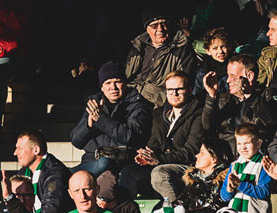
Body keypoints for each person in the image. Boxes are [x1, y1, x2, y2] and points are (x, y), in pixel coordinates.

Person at [71, 62, 153, 191]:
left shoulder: (138, 105)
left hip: (120, 163)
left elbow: (130, 136)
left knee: (103, 176)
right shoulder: (94, 103)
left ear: (125, 84)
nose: (113, 87)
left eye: (117, 82)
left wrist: (101, 119)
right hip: (91, 162)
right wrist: (89, 125)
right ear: (102, 87)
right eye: (108, 83)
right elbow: (76, 141)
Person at [138, 72, 213, 199]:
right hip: (162, 161)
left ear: (189, 90)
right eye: (170, 90)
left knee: (159, 173)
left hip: (188, 165)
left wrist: (159, 159)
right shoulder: (159, 114)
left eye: (179, 89)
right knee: (130, 172)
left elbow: (191, 151)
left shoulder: (198, 114)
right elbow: (154, 143)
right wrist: (146, 156)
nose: (174, 94)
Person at [206, 53, 277, 152]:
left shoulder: (268, 95)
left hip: (253, 155)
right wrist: (211, 97)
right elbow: (207, 126)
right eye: (228, 75)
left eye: (233, 76)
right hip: (223, 154)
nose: (228, 80)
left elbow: (270, 121)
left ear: (249, 76)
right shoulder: (225, 99)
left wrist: (249, 96)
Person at [123, 12, 197, 108]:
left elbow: (183, 86)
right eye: (154, 25)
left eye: (163, 23)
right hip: (129, 94)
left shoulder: (181, 49)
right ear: (147, 29)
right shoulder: (138, 45)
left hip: (156, 103)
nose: (160, 29)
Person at [10, 130, 71, 213]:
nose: (15, 153)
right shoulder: (24, 173)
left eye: (20, 148)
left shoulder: (54, 173)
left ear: (36, 150)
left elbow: (51, 209)